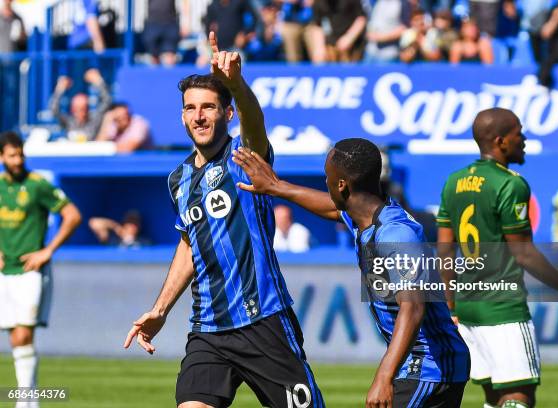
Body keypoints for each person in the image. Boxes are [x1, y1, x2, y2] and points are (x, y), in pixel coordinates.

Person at [123, 32, 324, 408]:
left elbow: (255, 120)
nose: (198, 116)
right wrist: (161, 309)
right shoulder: (177, 180)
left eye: (209, 107)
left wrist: (235, 84)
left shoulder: (244, 156)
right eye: (190, 108)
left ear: (227, 113)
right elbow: (189, 245)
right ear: (182, 115)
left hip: (263, 321)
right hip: (209, 330)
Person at [231, 139, 470, 407]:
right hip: (420, 363)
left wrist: (384, 376)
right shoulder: (365, 214)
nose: (326, 182)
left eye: (328, 177)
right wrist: (276, 187)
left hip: (430, 365)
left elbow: (413, 307)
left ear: (342, 185)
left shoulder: (396, 234)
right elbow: (332, 207)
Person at [436, 108, 558, 408]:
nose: (525, 139)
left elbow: (444, 249)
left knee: (494, 397)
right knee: (519, 396)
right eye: (519, 133)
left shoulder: (453, 182)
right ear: (500, 141)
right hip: (502, 308)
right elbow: (523, 253)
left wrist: (451, 301)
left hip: (469, 309)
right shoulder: (510, 184)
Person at [0, 131, 81, 408]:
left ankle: (26, 400)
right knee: (14, 334)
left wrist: (47, 250)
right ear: (2, 157)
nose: (18, 160)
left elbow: (72, 215)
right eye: (12, 155)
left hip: (30, 270)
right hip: (4, 271)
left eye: (20, 154)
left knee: (24, 332)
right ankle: (29, 397)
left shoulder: (37, 185)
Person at [48, 68, 112, 142]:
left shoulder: (94, 120)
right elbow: (54, 110)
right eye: (77, 108)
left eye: (83, 108)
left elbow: (107, 101)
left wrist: (99, 82)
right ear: (72, 109)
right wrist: (59, 89)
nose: (81, 112)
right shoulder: (68, 121)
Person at [142, 0, 191, 66]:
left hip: (170, 23)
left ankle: (171, 75)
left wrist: (185, 22)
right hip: (152, 23)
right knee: (154, 58)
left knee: (170, 59)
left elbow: (185, 2)